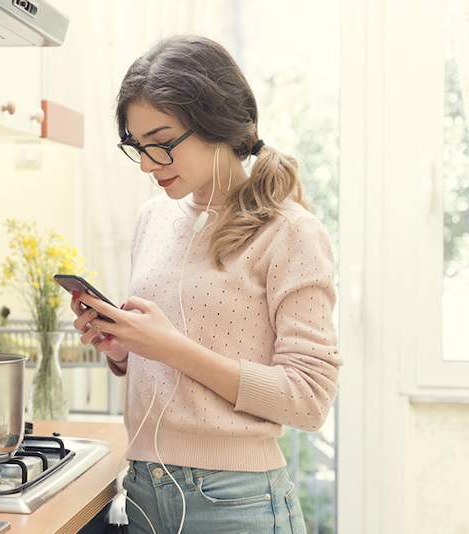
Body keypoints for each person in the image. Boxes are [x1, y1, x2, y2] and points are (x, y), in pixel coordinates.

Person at [70, 35, 340, 534]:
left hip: (237, 503)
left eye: (162, 142)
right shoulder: (154, 218)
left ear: (215, 120)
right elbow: (176, 357)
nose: (149, 164)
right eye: (137, 146)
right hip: (146, 491)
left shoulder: (290, 232)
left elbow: (309, 400)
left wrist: (170, 347)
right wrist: (124, 347)